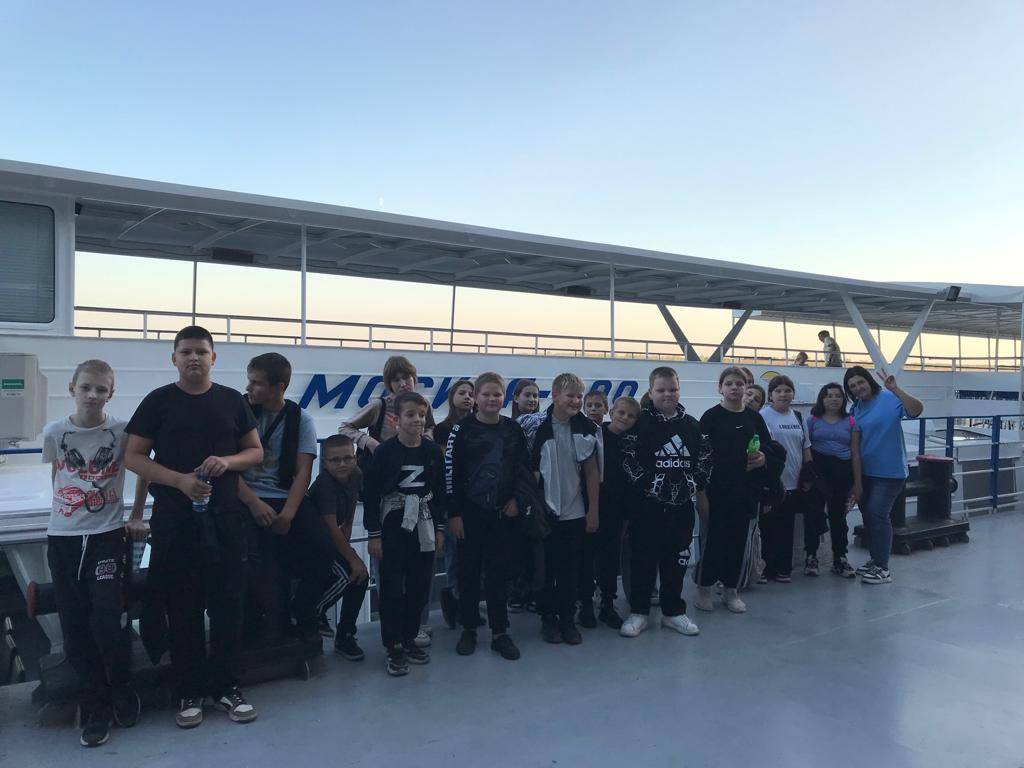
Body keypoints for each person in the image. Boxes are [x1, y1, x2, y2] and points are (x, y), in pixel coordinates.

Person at [125, 326, 262, 728]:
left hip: (225, 520)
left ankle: (227, 687)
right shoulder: (158, 401)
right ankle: (189, 690)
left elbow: (255, 451)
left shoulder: (232, 401)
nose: (194, 358)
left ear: (213, 358)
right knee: (181, 607)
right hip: (175, 522)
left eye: (201, 351)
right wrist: (180, 481)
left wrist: (227, 461)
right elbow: (134, 456)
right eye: (186, 351)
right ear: (174, 358)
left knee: (228, 606)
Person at [42, 360, 140, 747]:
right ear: (73, 388)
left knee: (106, 618)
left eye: (101, 389)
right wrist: (64, 513)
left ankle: (123, 687)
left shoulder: (122, 432)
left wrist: (136, 513)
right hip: (63, 538)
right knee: (75, 627)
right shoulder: (55, 432)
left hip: (106, 535)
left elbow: (142, 468)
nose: (93, 395)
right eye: (86, 388)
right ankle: (95, 703)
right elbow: (58, 474)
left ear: (111, 393)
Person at [339, 354, 435, 647]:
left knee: (420, 571)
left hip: (418, 495)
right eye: (397, 379)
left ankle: (417, 625)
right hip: (388, 497)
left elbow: (430, 431)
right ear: (389, 384)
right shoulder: (380, 406)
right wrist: (370, 442)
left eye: (407, 377)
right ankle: (392, 631)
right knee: (391, 572)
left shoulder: (423, 405)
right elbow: (346, 427)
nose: (404, 383)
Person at [618, 367, 711, 638]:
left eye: (673, 389)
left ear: (679, 390)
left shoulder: (692, 425)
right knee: (643, 560)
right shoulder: (639, 424)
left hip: (681, 508)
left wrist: (692, 485)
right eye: (661, 390)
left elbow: (705, 459)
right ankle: (639, 612)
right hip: (645, 508)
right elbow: (627, 458)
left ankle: (673, 612)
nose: (667, 394)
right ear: (651, 392)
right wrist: (652, 485)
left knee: (676, 560)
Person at [445, 372, 530, 660]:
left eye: (497, 394)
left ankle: (500, 632)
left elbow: (523, 469)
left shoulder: (513, 429)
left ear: (504, 397)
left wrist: (517, 500)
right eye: (486, 394)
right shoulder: (462, 429)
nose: (492, 399)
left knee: (498, 573)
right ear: (476, 398)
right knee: (468, 572)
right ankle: (469, 628)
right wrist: (454, 513)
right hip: (469, 513)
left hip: (503, 513)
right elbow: (451, 473)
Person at [362, 392, 447, 676]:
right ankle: (393, 644)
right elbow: (372, 493)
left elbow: (440, 493)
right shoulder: (385, 452)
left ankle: (410, 637)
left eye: (421, 415)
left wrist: (440, 528)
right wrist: (374, 534)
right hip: (393, 522)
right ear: (395, 420)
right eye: (410, 415)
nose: (417, 420)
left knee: (420, 584)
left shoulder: (432, 452)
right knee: (391, 585)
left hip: (424, 521)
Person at [237, 353, 318, 640]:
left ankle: (303, 613)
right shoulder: (239, 413)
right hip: (245, 496)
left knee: (321, 552)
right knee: (257, 563)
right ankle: (259, 626)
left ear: (278, 387)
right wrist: (253, 502)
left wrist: (288, 515)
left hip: (284, 497)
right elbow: (226, 468)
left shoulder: (301, 419)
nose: (248, 387)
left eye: (256, 383)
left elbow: (303, 471)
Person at [518, 373, 601, 645]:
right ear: (554, 396)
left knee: (570, 570)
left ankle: (567, 619)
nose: (576, 401)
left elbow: (591, 472)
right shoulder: (535, 427)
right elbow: (526, 469)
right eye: (570, 396)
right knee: (545, 570)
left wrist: (593, 511)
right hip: (544, 512)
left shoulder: (587, 428)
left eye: (579, 396)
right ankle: (548, 618)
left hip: (575, 512)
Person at [695, 368, 771, 613]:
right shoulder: (710, 417)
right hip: (716, 492)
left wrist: (763, 458)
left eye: (740, 383)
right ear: (720, 388)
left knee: (738, 543)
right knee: (712, 542)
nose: (735, 387)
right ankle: (704, 588)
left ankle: (731, 589)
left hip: (744, 492)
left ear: (746, 387)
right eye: (729, 383)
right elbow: (700, 457)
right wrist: (701, 494)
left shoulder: (754, 418)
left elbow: (768, 447)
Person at [844, 366, 923, 585]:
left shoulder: (889, 399)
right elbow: (856, 445)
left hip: (890, 471)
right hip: (866, 471)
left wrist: (896, 389)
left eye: (860, 382)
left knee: (878, 514)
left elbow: (916, 410)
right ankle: (875, 560)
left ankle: (883, 567)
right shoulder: (856, 409)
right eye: (852, 386)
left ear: (869, 381)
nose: (858, 388)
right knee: (869, 516)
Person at [304, 435, 370, 660]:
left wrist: (349, 524)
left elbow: (352, 499)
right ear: (325, 463)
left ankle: (345, 635)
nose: (342, 464)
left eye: (348, 458)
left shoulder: (356, 474)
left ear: (355, 458)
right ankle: (311, 612)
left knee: (360, 577)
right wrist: (353, 558)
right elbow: (330, 527)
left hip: (330, 540)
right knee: (349, 575)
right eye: (335, 460)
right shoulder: (325, 486)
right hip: (315, 541)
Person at [587, 395, 640, 629]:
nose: (625, 418)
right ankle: (585, 602)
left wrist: (628, 516)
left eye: (631, 416)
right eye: (621, 413)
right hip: (593, 507)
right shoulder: (595, 438)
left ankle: (607, 604)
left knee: (610, 559)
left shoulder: (633, 444)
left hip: (618, 511)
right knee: (587, 557)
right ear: (611, 413)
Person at [804, 384, 861, 579]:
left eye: (838, 396)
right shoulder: (812, 420)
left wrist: (857, 482)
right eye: (829, 396)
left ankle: (840, 558)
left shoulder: (851, 421)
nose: (834, 399)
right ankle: (811, 556)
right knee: (813, 514)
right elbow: (806, 447)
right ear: (822, 399)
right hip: (819, 470)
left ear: (843, 400)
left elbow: (855, 452)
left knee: (838, 517)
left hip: (841, 472)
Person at [758, 375, 811, 584]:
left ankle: (783, 568)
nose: (783, 394)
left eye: (787, 390)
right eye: (778, 391)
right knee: (767, 528)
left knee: (787, 528)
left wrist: (808, 473)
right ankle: (766, 568)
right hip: (771, 483)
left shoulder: (798, 417)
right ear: (770, 395)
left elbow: (806, 447)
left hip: (793, 483)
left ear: (793, 394)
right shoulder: (762, 416)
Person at [432, 379, 474, 629]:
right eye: (462, 393)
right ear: (452, 398)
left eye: (470, 393)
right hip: (452, 497)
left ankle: (469, 602)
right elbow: (444, 464)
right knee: (454, 552)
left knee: (472, 554)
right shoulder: (442, 429)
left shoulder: (478, 425)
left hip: (475, 498)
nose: (467, 397)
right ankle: (454, 599)